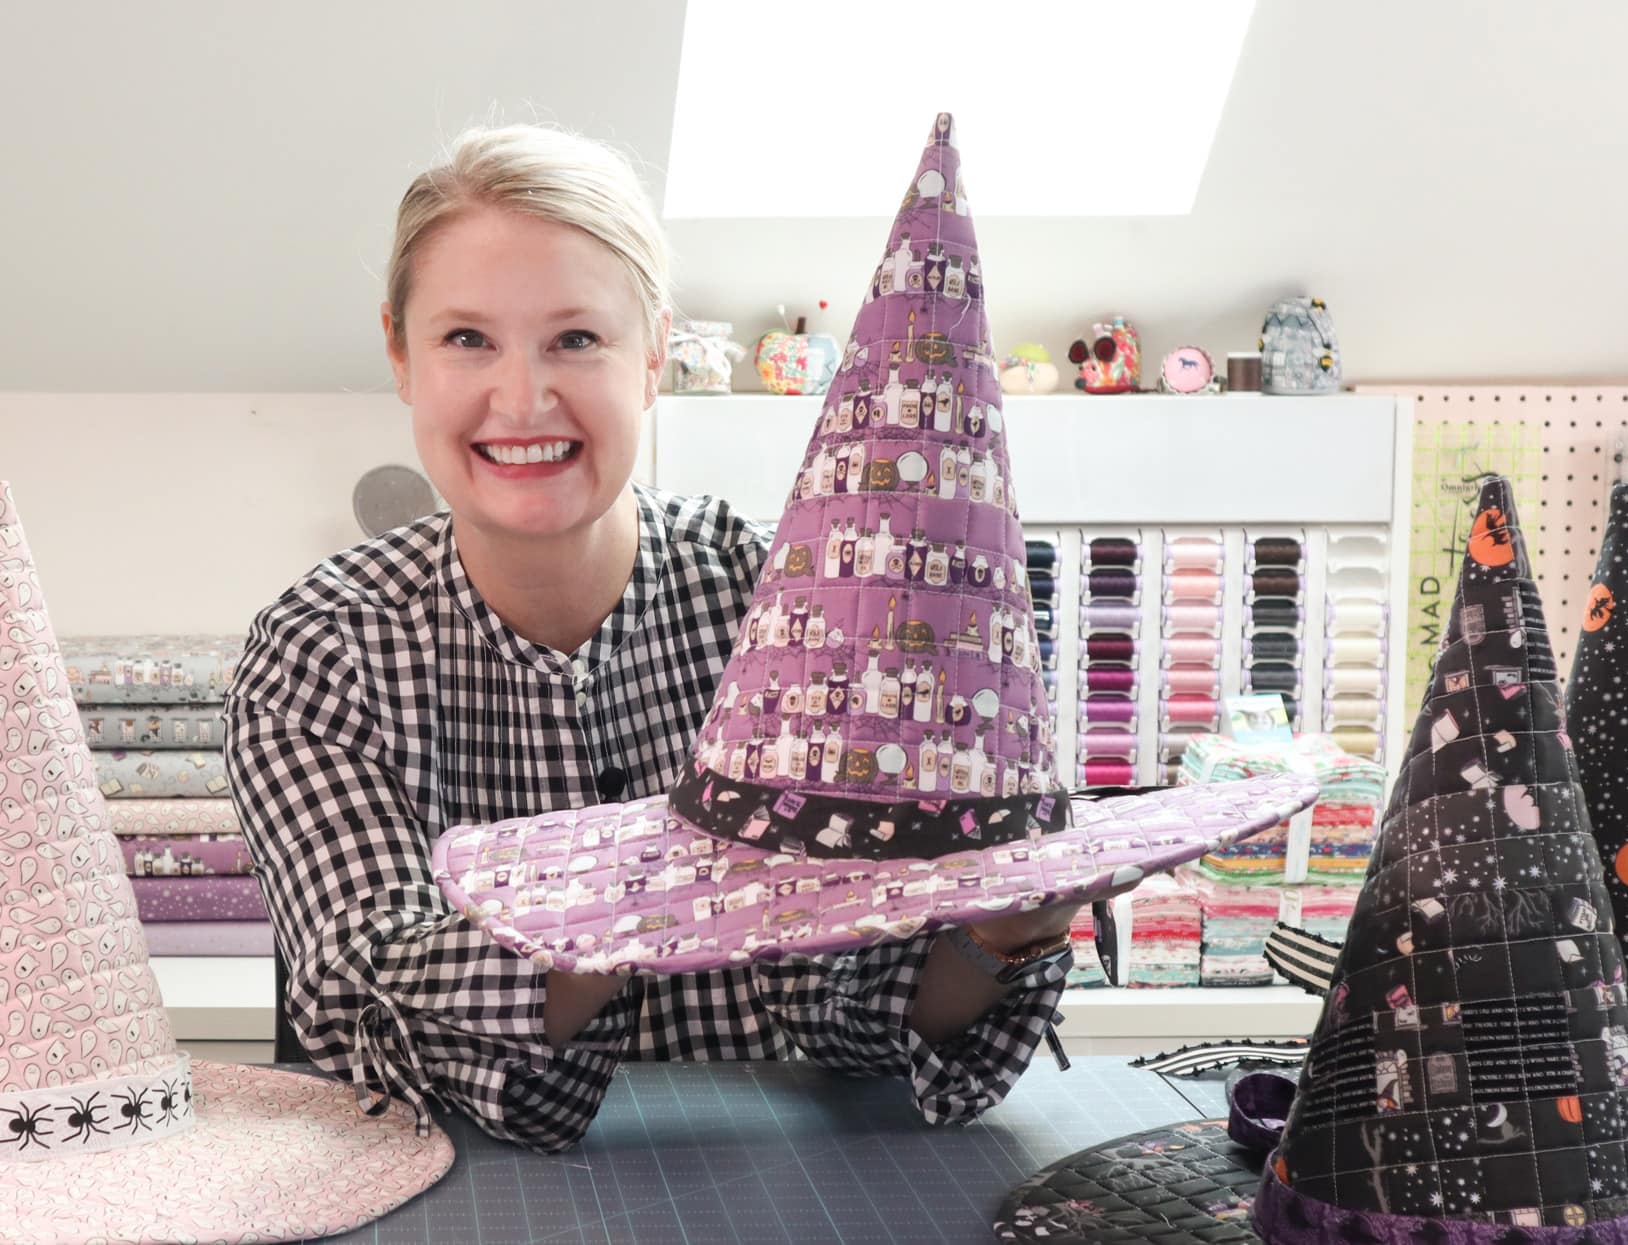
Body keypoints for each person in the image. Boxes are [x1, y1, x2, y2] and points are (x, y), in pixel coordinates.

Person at [223, 124, 1085, 1153]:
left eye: (577, 339)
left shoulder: (781, 602)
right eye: (466, 339)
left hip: (788, 1173)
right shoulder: (322, 656)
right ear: (400, 355)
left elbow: (866, 1008)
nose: (523, 396)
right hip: (473, 1195)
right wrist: (651, 883)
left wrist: (1008, 926)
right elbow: (378, 1011)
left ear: (654, 358)